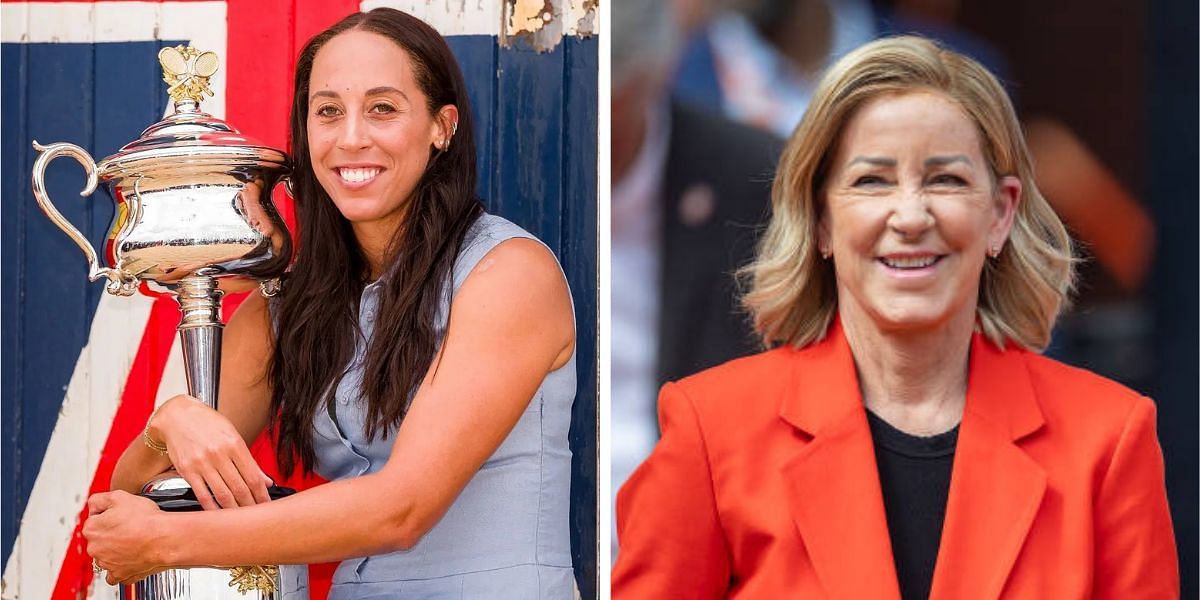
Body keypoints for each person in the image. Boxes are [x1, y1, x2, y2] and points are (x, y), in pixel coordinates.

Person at [613, 35, 1178, 599]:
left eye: (946, 179)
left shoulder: (1108, 440)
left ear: (1001, 214)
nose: (910, 215)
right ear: (821, 219)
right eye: (872, 181)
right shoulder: (711, 433)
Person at [83, 8, 577, 598]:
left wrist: (170, 544)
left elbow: (403, 509)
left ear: (442, 127)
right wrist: (170, 426)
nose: (350, 138)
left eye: (383, 108)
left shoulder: (510, 273)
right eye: (327, 112)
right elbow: (136, 496)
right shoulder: (288, 308)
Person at [611, 0, 782, 556]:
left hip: (709, 543)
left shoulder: (758, 182)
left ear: (654, 73)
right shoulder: (482, 168)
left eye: (608, 95)